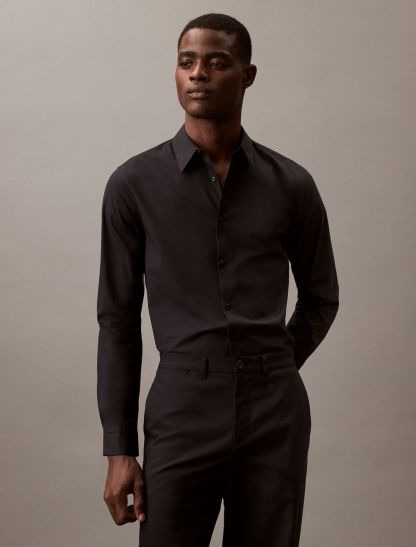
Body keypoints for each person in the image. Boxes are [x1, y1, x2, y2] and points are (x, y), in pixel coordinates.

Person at [96, 12, 339, 547]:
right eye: (187, 62)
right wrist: (119, 449)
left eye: (216, 62)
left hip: (274, 413)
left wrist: (274, 363)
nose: (198, 73)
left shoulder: (292, 184)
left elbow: (322, 296)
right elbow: (117, 321)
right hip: (181, 406)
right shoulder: (134, 185)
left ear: (247, 76)